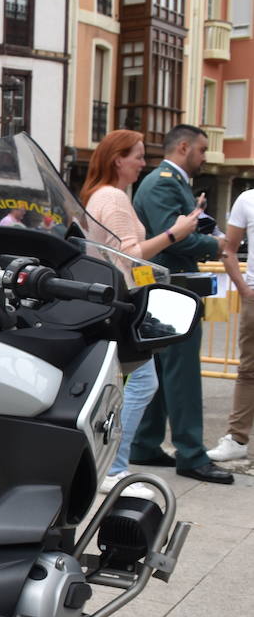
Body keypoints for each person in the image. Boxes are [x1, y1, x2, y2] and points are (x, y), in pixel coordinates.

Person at [80, 129, 201, 494]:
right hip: (122, 303)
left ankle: (110, 462)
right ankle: (112, 465)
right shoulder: (114, 198)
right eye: (138, 155)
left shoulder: (103, 194)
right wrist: (176, 233)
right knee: (142, 382)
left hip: (112, 301)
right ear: (119, 159)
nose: (142, 163)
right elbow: (129, 257)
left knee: (128, 383)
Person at [129, 124, 230, 484]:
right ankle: (191, 454)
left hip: (168, 287)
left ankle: (144, 443)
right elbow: (170, 240)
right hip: (171, 288)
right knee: (181, 373)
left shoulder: (170, 183)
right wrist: (213, 245)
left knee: (160, 368)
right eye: (202, 150)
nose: (205, 157)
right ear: (184, 147)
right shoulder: (163, 183)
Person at [207, 186, 254, 463]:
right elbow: (229, 250)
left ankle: (237, 438)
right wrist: (244, 289)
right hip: (253, 296)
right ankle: (237, 438)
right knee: (249, 370)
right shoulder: (246, 200)